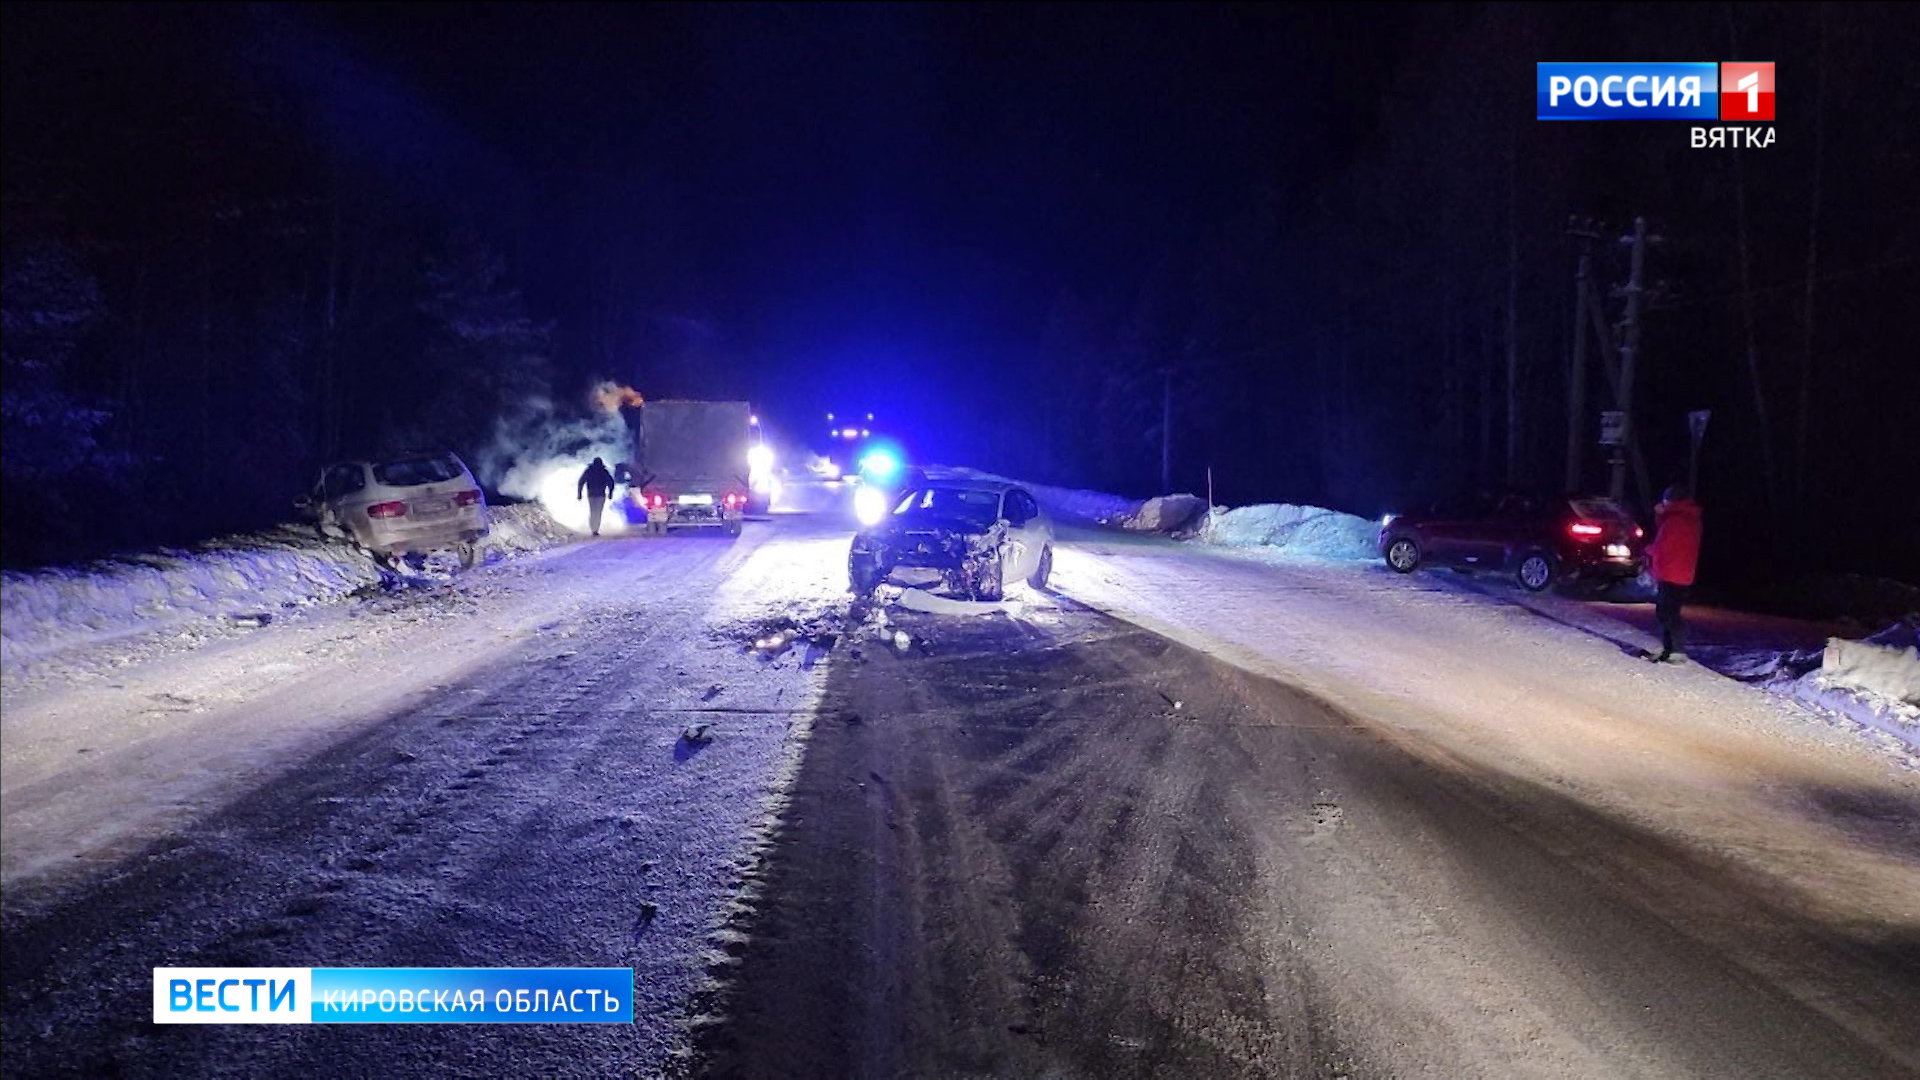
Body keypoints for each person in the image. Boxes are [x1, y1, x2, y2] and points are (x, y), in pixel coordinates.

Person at [1647, 483, 1703, 663]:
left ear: (1670, 500)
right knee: (1669, 610)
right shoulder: (1688, 516)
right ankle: (1669, 649)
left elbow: (1663, 544)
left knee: (1666, 613)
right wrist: (1660, 515)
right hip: (1681, 571)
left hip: (1670, 571)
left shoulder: (1676, 520)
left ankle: (1678, 650)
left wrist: (1647, 550)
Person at [577, 457, 616, 537]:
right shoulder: (603, 471)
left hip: (591, 494)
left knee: (592, 511)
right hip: (601, 495)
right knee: (598, 512)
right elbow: (611, 482)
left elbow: (581, 482)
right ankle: (595, 529)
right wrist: (610, 493)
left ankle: (593, 528)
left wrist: (579, 494)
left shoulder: (589, 471)